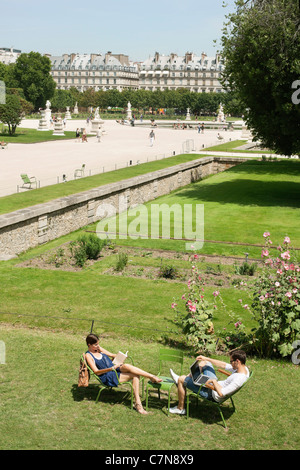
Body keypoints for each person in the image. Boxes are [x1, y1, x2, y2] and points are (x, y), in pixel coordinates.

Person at [85, 334, 162, 415]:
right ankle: (138, 405)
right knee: (136, 376)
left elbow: (112, 355)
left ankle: (151, 376)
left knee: (126, 366)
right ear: (89, 345)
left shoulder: (98, 349)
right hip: (108, 375)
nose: (98, 346)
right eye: (96, 344)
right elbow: (96, 371)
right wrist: (112, 368)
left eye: (98, 344)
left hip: (114, 367)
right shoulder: (88, 355)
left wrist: (121, 356)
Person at [169, 350, 249, 415]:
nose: (230, 364)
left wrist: (213, 381)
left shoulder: (238, 379)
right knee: (205, 363)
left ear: (237, 361)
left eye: (231, 361)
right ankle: (189, 379)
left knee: (181, 379)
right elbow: (224, 365)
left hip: (212, 394)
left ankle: (180, 408)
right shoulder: (243, 369)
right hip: (214, 386)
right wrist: (206, 358)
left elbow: (221, 393)